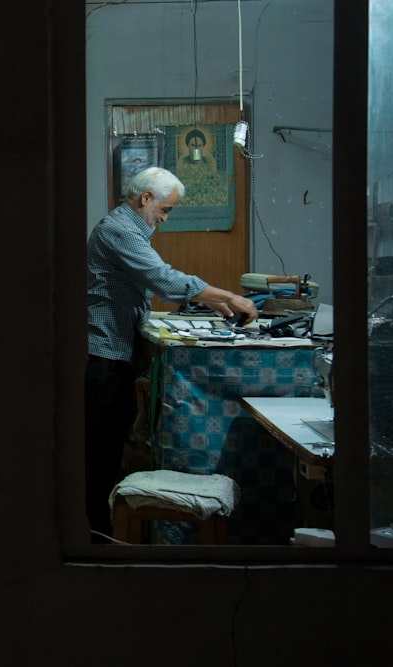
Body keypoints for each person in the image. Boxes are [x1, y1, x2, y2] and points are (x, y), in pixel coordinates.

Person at [84, 167, 257, 540]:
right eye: (164, 210)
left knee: (109, 448)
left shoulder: (131, 230)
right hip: (104, 354)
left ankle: (97, 526)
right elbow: (163, 278)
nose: (164, 218)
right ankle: (92, 532)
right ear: (145, 198)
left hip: (117, 351)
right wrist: (226, 297)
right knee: (98, 451)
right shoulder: (119, 230)